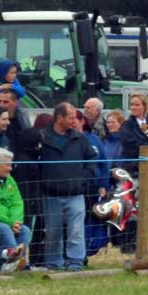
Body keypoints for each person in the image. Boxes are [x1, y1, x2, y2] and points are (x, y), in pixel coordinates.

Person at [37, 102, 101, 271]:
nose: (75, 121)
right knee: (53, 230)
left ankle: (76, 260)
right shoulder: (43, 138)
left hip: (76, 193)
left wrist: (85, 179)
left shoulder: (80, 139)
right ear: (59, 118)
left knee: (76, 230)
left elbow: (92, 159)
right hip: (51, 194)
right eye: (71, 117)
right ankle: (53, 261)